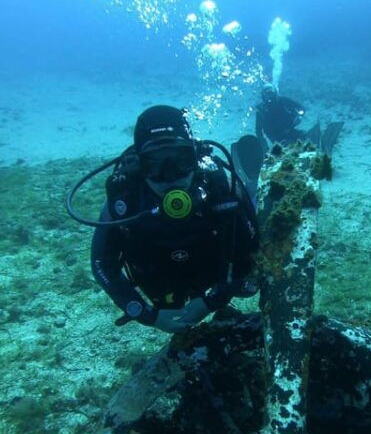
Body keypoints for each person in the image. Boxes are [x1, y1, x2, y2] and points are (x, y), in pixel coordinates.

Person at [89, 105, 260, 333]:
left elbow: (253, 252)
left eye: (181, 161)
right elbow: (102, 264)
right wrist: (146, 314)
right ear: (141, 165)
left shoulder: (220, 189)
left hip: (212, 279)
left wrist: (216, 298)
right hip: (160, 290)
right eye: (155, 164)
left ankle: (254, 187)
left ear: (195, 158)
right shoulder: (126, 199)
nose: (170, 177)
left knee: (250, 287)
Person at [255, 84, 344, 155]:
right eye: (267, 94)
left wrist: (299, 116)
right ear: (263, 96)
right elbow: (258, 131)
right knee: (292, 150)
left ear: (275, 92)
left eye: (271, 93)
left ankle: (321, 148)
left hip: (291, 130)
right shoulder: (261, 110)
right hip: (277, 138)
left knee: (307, 139)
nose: (270, 97)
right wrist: (264, 146)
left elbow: (301, 108)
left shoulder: (283, 100)